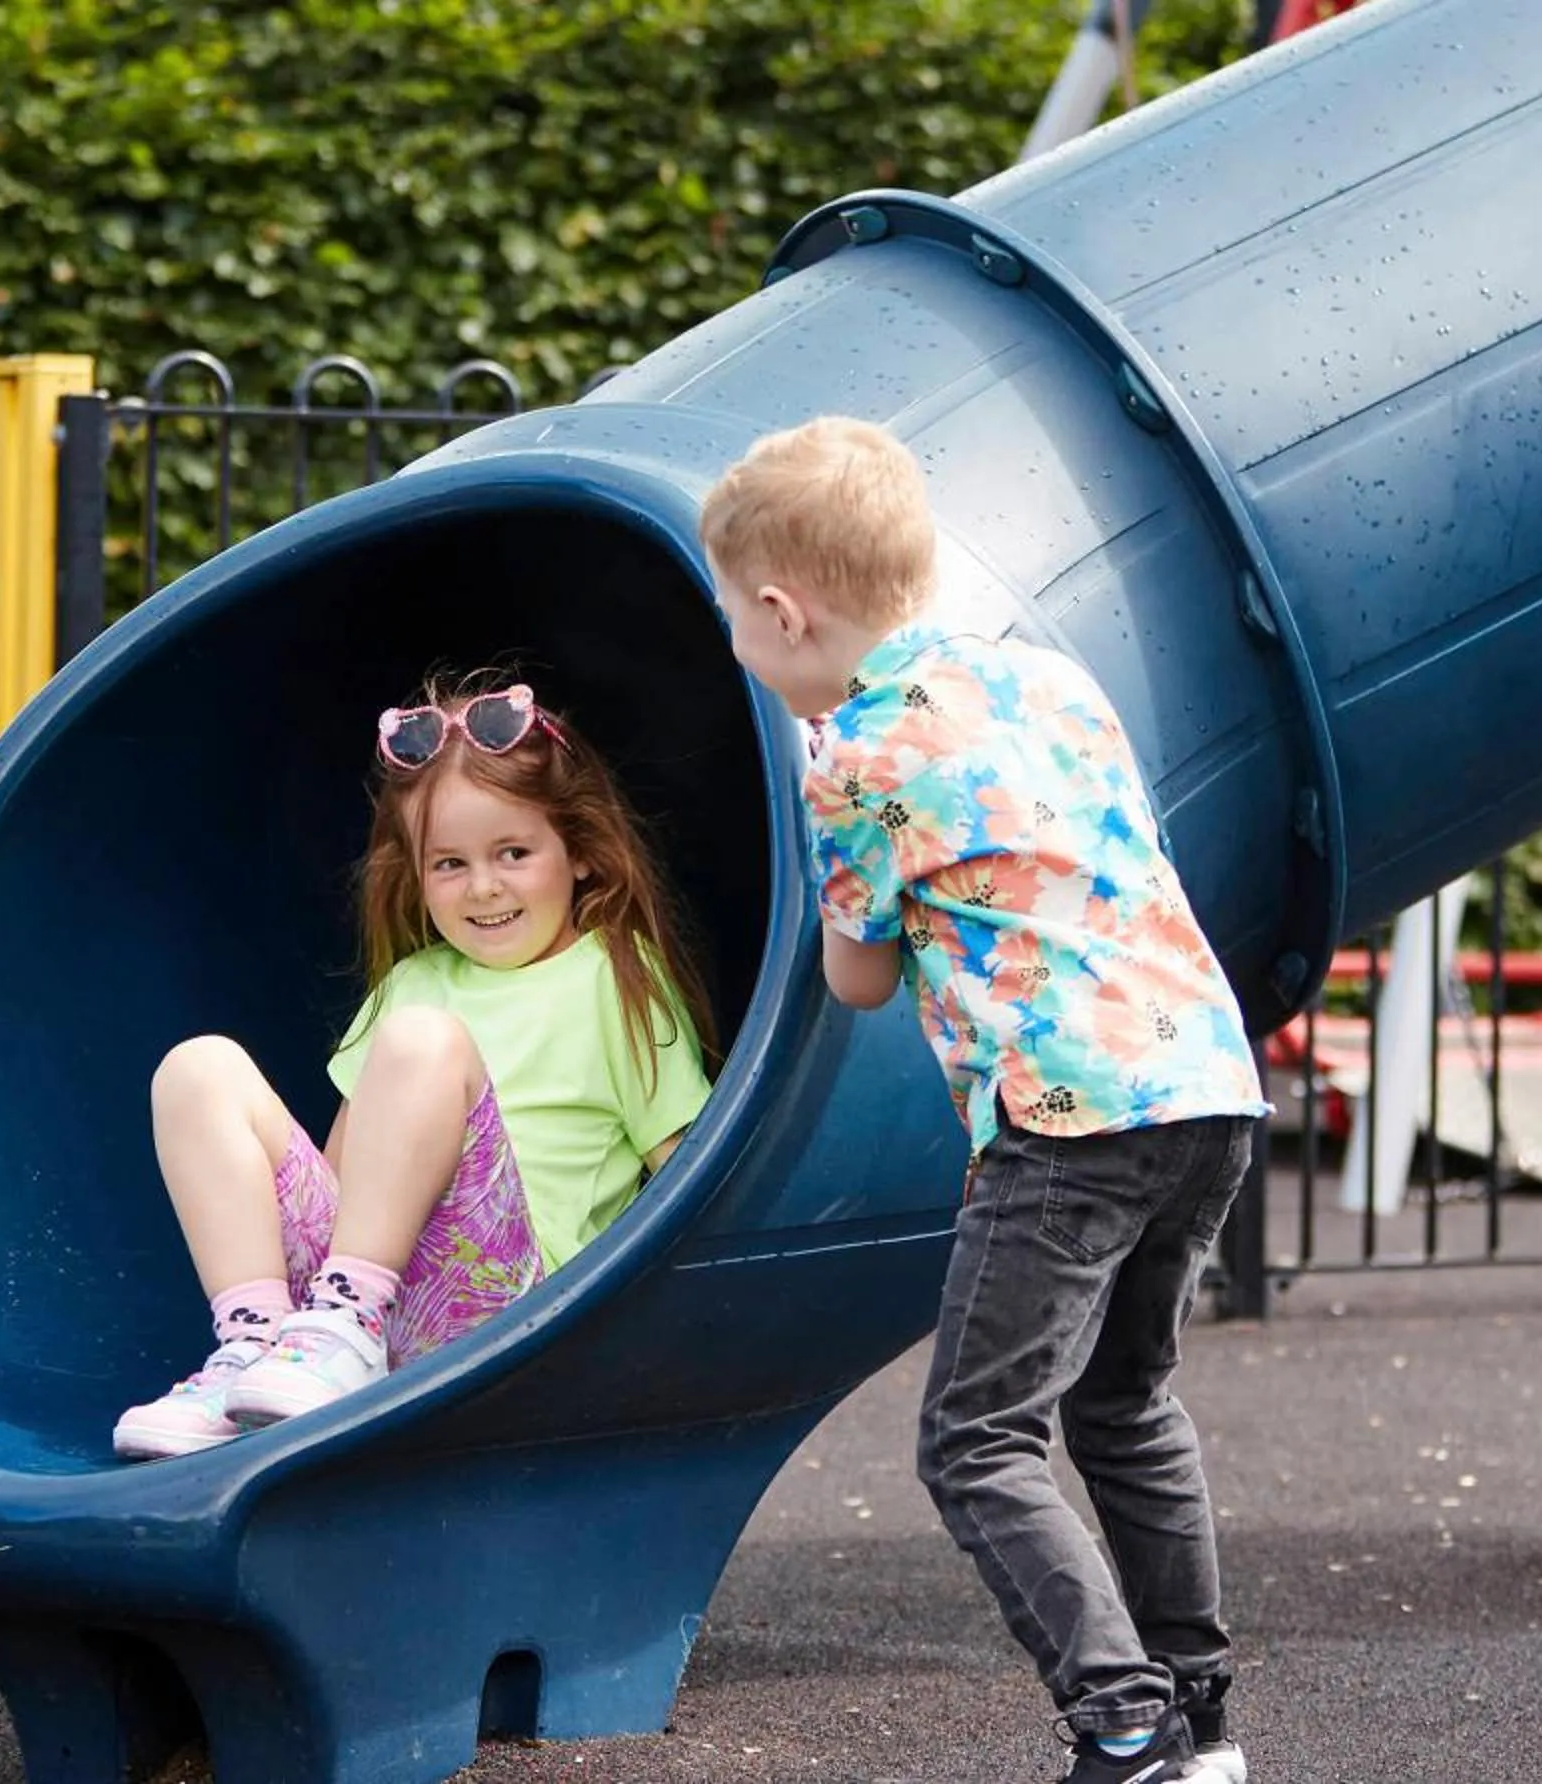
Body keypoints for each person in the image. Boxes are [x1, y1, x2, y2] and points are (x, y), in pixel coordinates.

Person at [702, 417, 1268, 1784]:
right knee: (1125, 1402)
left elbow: (854, 978)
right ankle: (1199, 1718)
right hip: (1204, 1079)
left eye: (733, 617)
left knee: (976, 1440)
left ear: (784, 609)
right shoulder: (1048, 678)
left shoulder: (854, 753)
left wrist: (836, 864)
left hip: (1065, 1117)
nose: (737, 644)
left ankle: (1122, 1723)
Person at [112, 672, 717, 1461]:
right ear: (416, 874)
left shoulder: (614, 976)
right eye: (450, 864)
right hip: (351, 1304)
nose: (484, 887)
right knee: (198, 1068)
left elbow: (689, 1175)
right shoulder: (414, 982)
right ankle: (256, 1346)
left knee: (423, 1040)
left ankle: (343, 1331)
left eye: (513, 853)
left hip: (508, 1311)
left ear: (580, 853)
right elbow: (344, 1176)